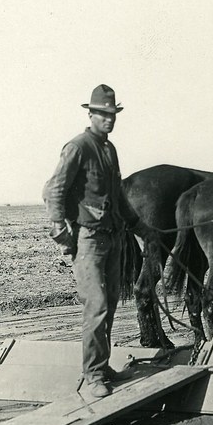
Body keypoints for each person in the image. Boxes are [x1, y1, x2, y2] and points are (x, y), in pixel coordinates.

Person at [43, 84, 145, 399]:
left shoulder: (109, 150)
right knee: (96, 306)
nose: (109, 119)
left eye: (112, 114)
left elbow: (117, 196)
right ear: (91, 114)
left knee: (110, 305)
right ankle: (93, 376)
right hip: (87, 240)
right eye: (103, 114)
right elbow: (54, 191)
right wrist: (62, 233)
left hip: (113, 238)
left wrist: (139, 225)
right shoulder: (78, 147)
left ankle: (101, 366)